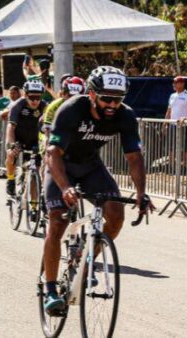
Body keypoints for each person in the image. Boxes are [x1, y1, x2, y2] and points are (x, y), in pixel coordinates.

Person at [41, 66, 153, 315]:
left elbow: (134, 157)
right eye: (107, 99)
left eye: (118, 99)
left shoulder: (125, 116)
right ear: (91, 95)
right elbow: (52, 153)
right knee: (57, 222)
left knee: (116, 215)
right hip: (61, 165)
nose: (113, 104)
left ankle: (84, 256)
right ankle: (49, 289)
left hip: (91, 166)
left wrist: (141, 193)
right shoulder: (72, 109)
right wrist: (65, 187)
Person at [5, 79, 48, 197]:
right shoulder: (17, 105)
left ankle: (38, 200)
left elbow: (50, 127)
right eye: (31, 97)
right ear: (25, 95)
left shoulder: (45, 106)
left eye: (38, 98)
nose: (35, 101)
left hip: (36, 140)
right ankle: (10, 179)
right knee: (11, 154)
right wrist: (11, 145)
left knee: (40, 167)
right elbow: (11, 127)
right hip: (18, 138)